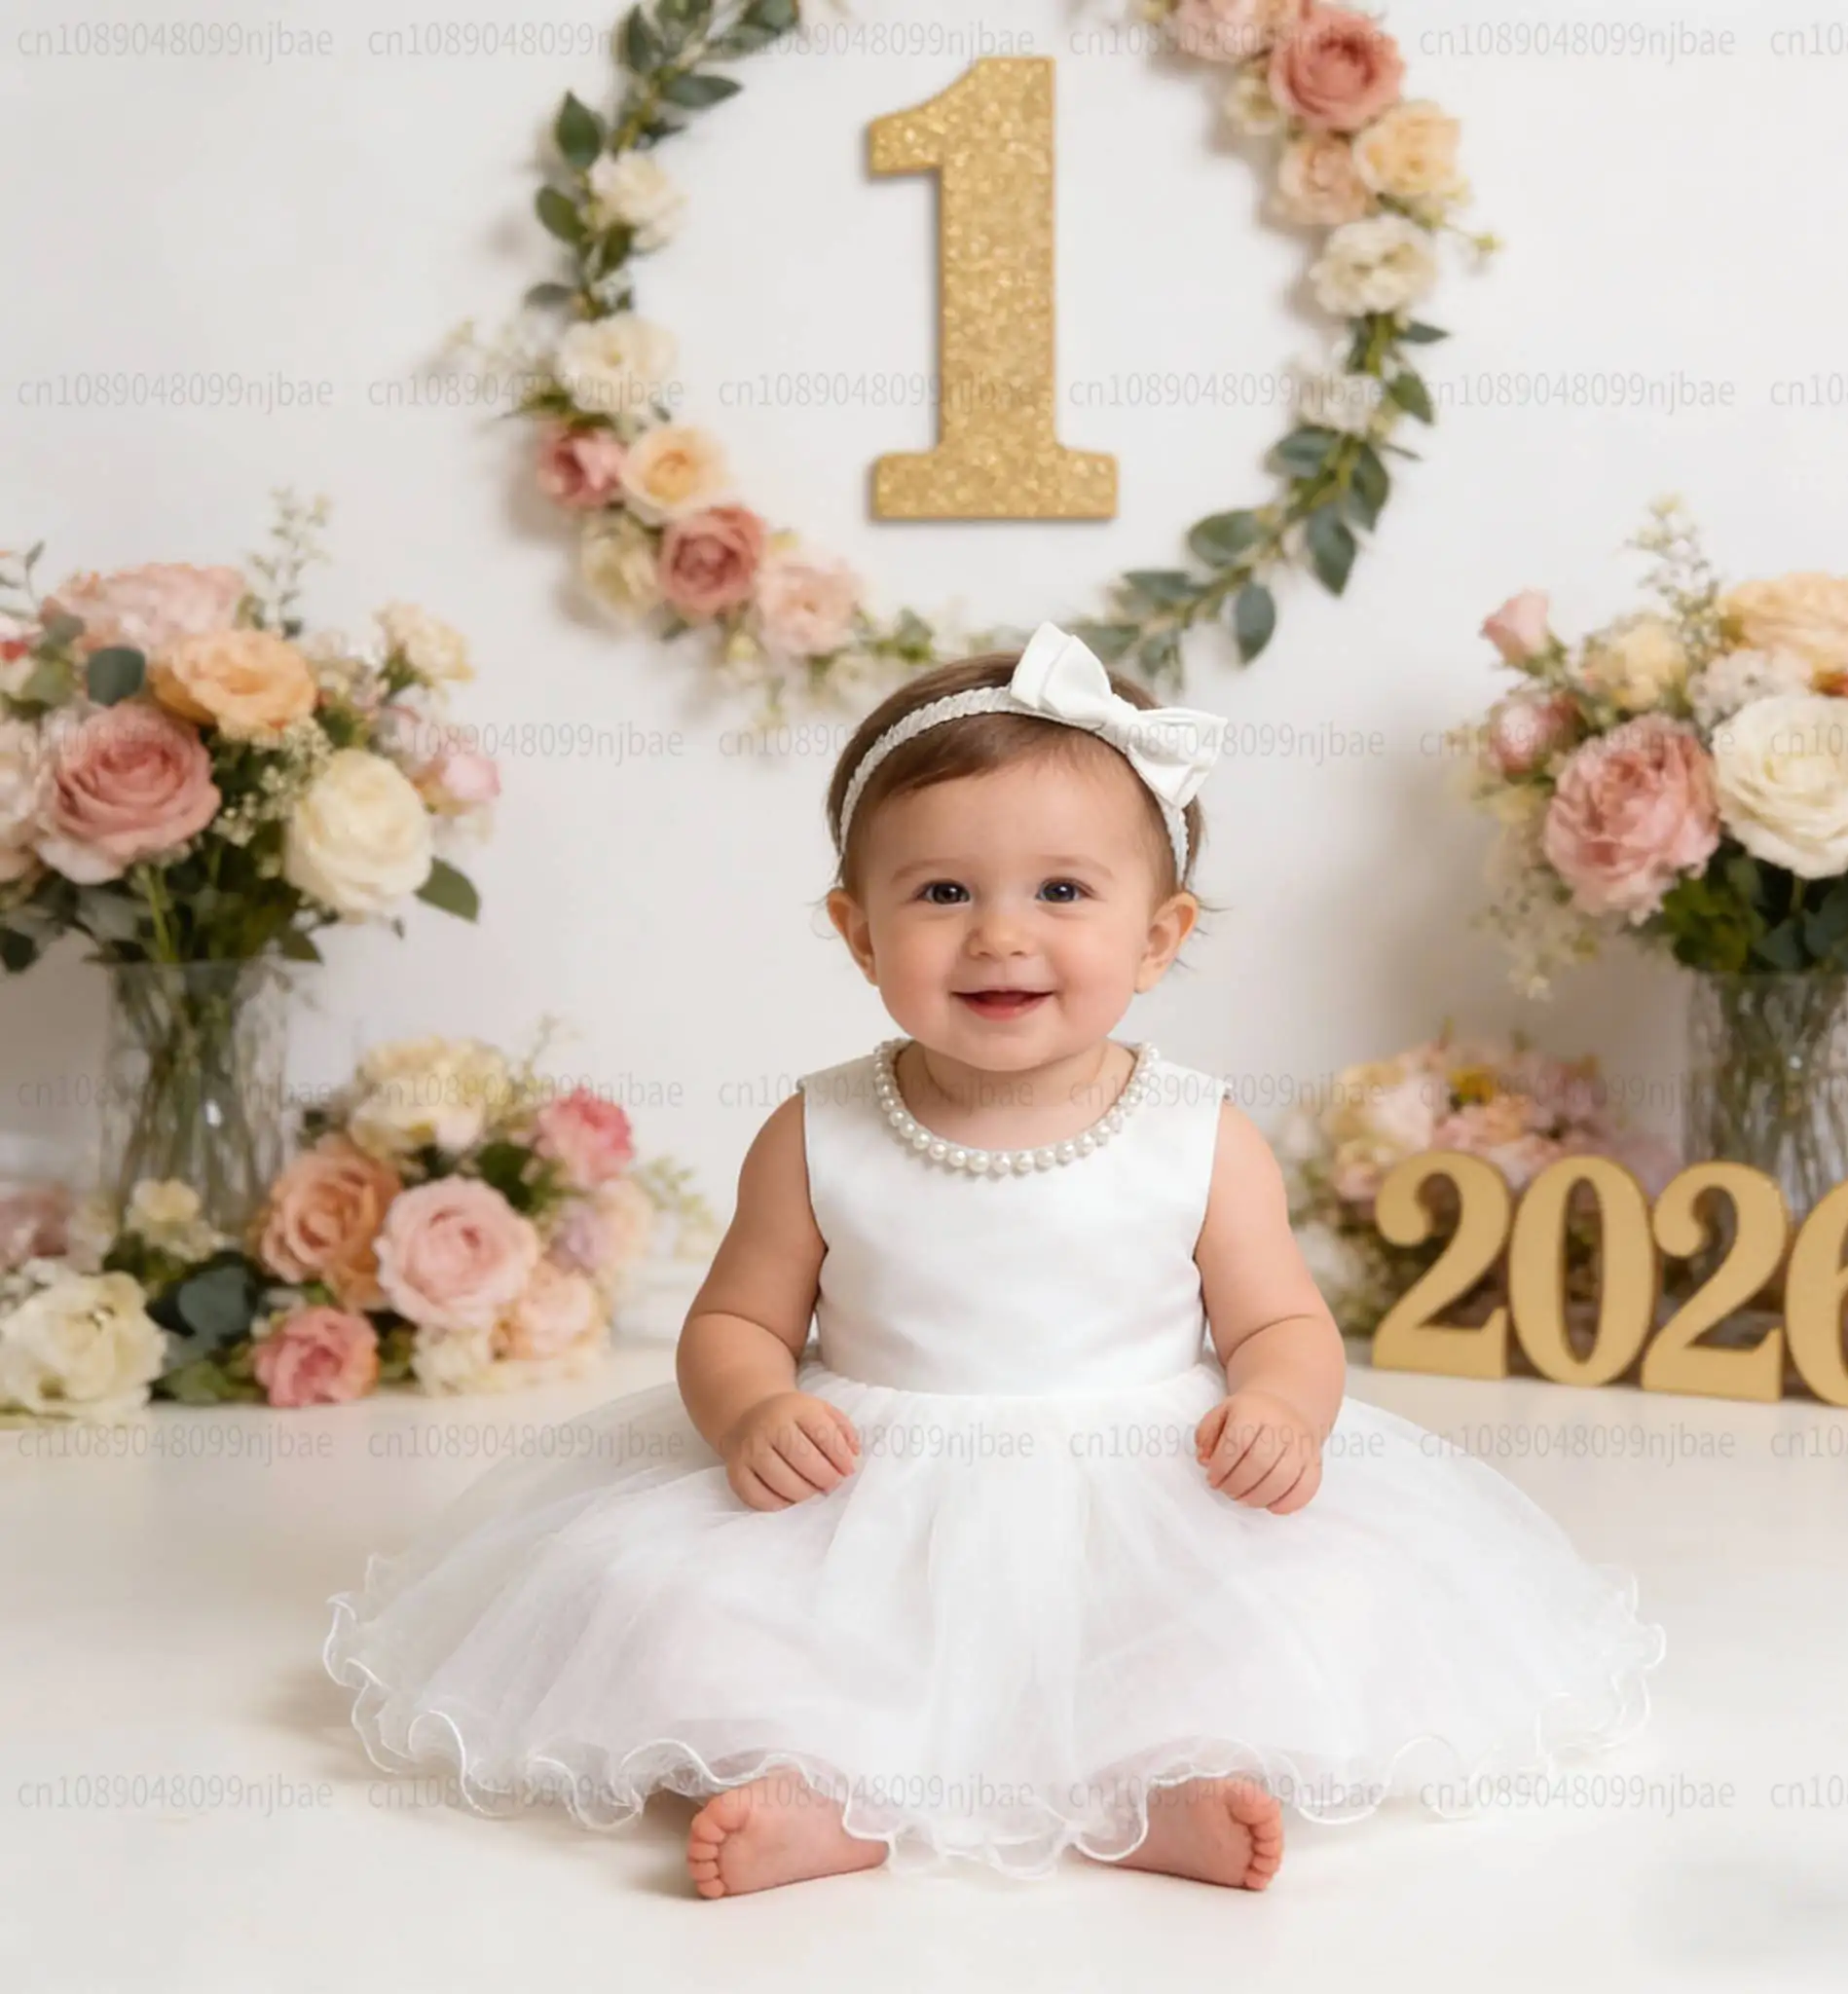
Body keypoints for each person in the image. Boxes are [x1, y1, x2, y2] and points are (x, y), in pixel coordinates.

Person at [324, 623, 1663, 1898]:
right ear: (859, 933)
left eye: (1063, 892)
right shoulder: (817, 1127)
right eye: (943, 892)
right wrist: (754, 1410)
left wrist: (1279, 1411)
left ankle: (1170, 1774)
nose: (1001, 933)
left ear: (1159, 935)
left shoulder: (1199, 1132)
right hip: (866, 1498)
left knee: (1319, 1587)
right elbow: (733, 1320)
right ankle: (810, 1783)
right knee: (660, 1592)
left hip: (1154, 1489)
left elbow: (1283, 1329)